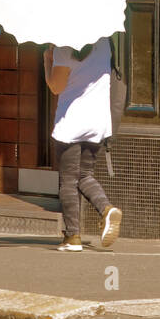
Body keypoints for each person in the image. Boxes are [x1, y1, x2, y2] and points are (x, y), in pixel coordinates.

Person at [43, 38, 123, 251]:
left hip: (71, 122)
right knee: (84, 175)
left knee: (68, 181)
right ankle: (106, 209)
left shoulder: (64, 47)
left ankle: (72, 237)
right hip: (98, 121)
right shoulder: (104, 43)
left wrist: (47, 61)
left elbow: (55, 86)